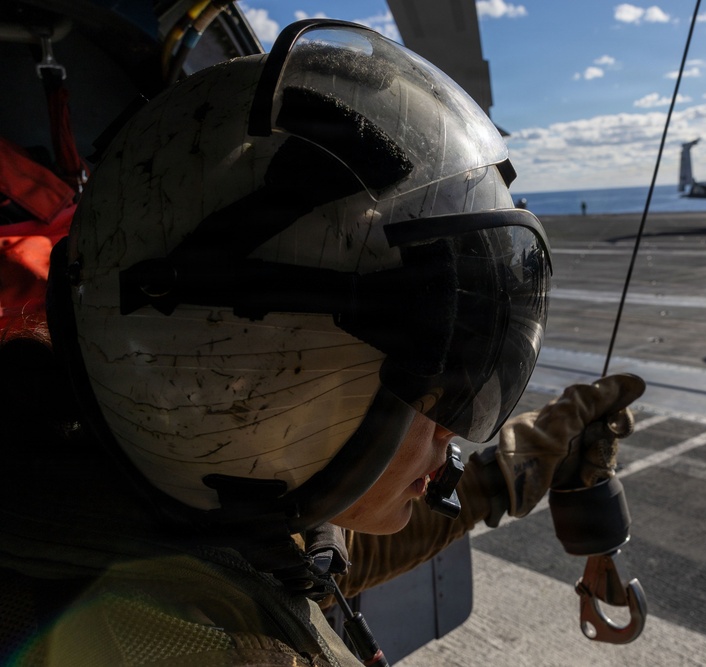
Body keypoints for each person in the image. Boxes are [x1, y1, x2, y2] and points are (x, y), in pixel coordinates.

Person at [0, 20, 646, 667]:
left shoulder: (138, 504)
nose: (453, 428)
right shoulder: (183, 645)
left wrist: (519, 467)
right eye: (432, 385)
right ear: (254, 382)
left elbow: (319, 551)